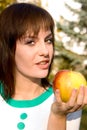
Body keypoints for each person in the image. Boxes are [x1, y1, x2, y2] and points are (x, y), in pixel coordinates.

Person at [0, 3, 87, 130]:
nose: (45, 51)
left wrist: (58, 116)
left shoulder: (65, 100)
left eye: (48, 40)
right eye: (31, 42)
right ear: (8, 48)